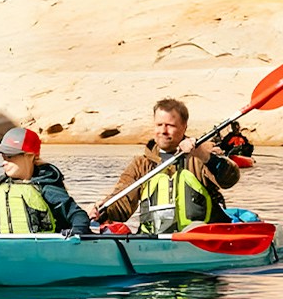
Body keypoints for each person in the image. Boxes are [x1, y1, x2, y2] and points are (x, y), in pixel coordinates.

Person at [91, 98, 241, 233]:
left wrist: (202, 154)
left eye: (170, 126)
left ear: (184, 127)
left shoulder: (203, 152)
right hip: (154, 241)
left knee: (194, 228)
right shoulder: (141, 164)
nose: (163, 131)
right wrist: (102, 211)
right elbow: (122, 202)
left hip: (199, 237)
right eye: (159, 125)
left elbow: (230, 178)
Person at [0, 127, 91, 236]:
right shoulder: (0, 186)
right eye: (3, 157)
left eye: (9, 157)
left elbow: (78, 215)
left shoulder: (46, 185)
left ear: (30, 156)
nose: (4, 163)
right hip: (8, 250)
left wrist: (77, 234)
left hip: (48, 249)